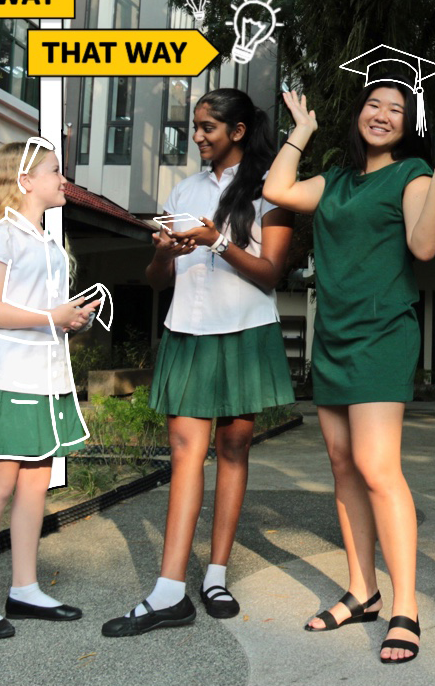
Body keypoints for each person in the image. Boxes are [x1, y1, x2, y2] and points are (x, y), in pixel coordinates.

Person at [262, 51, 435, 664]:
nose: (383, 114)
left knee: (377, 467)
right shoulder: (335, 180)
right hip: (334, 335)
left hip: (382, 335)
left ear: (409, 122)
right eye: (374, 104)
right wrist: (301, 132)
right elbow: (276, 188)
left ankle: (405, 606)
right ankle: (362, 590)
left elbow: (423, 246)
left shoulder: (413, 174)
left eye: (396, 108)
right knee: (342, 466)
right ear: (359, 113)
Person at [103, 89, 295, 637]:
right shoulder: (183, 190)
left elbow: (271, 272)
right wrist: (164, 253)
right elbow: (156, 280)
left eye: (208, 126)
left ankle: (216, 576)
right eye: (196, 126)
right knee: (186, 454)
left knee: (232, 451)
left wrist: (216, 242)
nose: (197, 136)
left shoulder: (269, 188)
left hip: (244, 332)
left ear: (238, 131)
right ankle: (169, 591)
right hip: (187, 330)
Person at [0, 138, 102, 638]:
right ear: (24, 182)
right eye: (55, 171)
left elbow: (44, 314)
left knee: (37, 482)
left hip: (49, 377)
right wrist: (51, 316)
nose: (64, 180)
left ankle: (24, 589)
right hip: (12, 378)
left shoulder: (48, 242)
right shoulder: (0, 236)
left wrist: (70, 319)